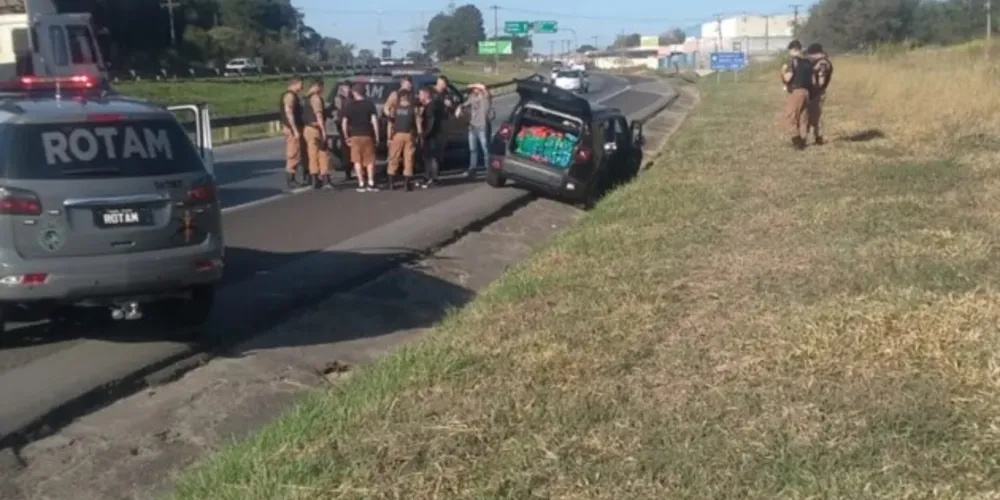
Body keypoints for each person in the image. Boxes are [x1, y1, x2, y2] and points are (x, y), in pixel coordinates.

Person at [341, 83, 380, 192]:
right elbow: (374, 121)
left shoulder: (349, 105)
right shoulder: (369, 104)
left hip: (354, 135)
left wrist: (346, 136)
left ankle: (361, 183)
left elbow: (344, 123)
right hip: (367, 134)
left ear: (354, 93)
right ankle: (371, 182)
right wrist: (377, 136)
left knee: (356, 160)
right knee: (370, 160)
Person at [780, 40, 813, 150]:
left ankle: (797, 141)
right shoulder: (808, 61)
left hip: (797, 91)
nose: (789, 54)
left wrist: (783, 72)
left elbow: (788, 78)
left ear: (794, 50)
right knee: (803, 117)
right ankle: (803, 138)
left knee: (790, 116)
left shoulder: (793, 61)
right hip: (807, 92)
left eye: (790, 51)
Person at [386, 89, 421, 191]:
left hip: (397, 134)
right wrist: (419, 134)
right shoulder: (413, 108)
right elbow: (418, 121)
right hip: (409, 135)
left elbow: (390, 124)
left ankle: (391, 183)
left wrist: (389, 137)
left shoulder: (395, 108)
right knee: (408, 158)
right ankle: (407, 183)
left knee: (394, 157)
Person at [302, 78, 333, 189]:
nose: (323, 90)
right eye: (322, 87)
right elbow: (318, 114)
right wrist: (323, 131)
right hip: (316, 129)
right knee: (323, 154)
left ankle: (315, 179)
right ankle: (325, 178)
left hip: (307, 128)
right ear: (317, 86)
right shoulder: (316, 98)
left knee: (312, 154)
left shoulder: (305, 98)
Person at [457, 82, 492, 177]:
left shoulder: (485, 97)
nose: (473, 90)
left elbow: (484, 88)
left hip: (482, 126)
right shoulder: (472, 97)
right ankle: (472, 169)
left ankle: (489, 169)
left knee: (485, 149)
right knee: (473, 149)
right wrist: (459, 108)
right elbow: (465, 104)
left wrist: (476, 85)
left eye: (475, 88)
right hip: (472, 126)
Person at [279, 75, 305, 188]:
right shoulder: (289, 96)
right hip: (291, 129)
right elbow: (289, 113)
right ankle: (291, 178)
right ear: (295, 83)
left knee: (296, 152)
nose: (302, 86)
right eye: (301, 83)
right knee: (293, 152)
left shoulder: (294, 96)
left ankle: (293, 177)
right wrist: (295, 130)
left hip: (292, 127)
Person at [418, 85, 445, 189]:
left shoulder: (431, 107)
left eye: (420, 94)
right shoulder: (428, 106)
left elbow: (431, 122)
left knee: (432, 157)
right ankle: (427, 176)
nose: (419, 96)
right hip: (431, 134)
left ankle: (434, 178)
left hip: (432, 135)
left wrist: (426, 134)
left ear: (426, 95)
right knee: (427, 157)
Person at [806, 43, 833, 146]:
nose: (810, 57)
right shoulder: (823, 62)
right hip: (817, 92)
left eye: (811, 55)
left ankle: (818, 137)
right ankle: (817, 137)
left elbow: (821, 80)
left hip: (818, 93)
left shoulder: (822, 64)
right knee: (814, 115)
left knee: (816, 116)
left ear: (816, 54)